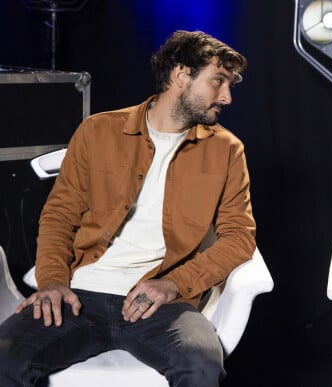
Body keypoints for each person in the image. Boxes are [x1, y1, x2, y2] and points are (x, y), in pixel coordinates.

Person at [0, 30, 255, 387]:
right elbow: (59, 217)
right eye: (218, 81)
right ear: (182, 75)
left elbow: (239, 239)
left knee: (200, 367)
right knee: (5, 358)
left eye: (230, 85)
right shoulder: (98, 131)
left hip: (163, 304)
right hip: (79, 297)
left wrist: (172, 284)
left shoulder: (227, 150)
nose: (226, 97)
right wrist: (53, 283)